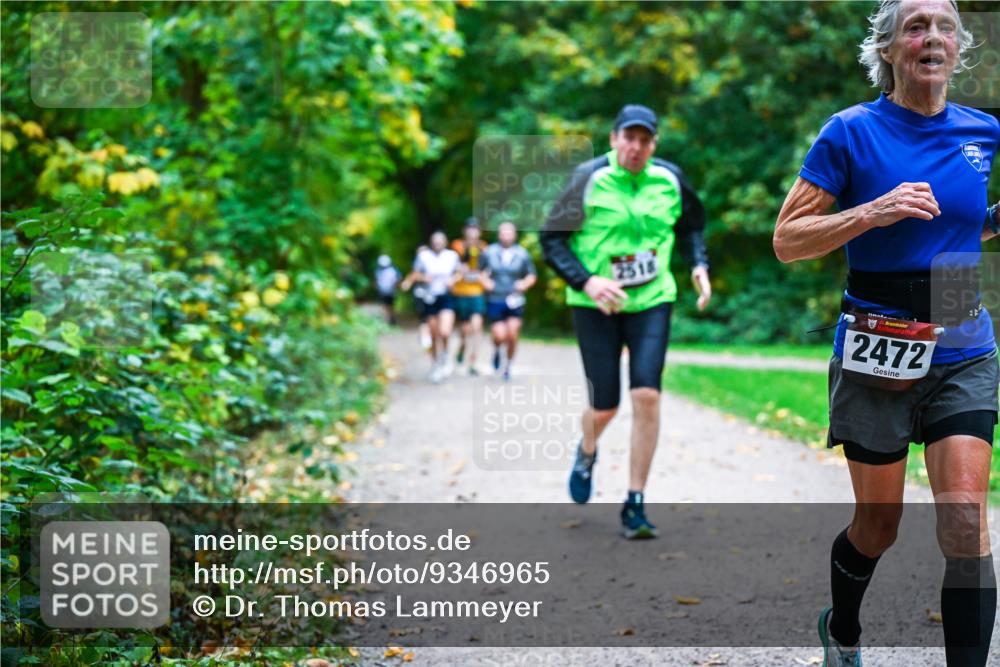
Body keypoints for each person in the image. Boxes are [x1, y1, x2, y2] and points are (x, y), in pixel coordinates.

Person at [773, 2, 997, 664]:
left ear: (960, 48)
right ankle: (843, 629)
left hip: (962, 336)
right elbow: (787, 239)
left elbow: (962, 225)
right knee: (879, 524)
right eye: (915, 26)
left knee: (965, 520)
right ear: (889, 48)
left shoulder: (982, 130)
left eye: (945, 27)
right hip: (879, 342)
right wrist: (871, 211)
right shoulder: (850, 132)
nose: (932, 37)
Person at [540, 103, 712, 539]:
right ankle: (587, 449)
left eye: (644, 140)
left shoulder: (669, 178)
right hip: (596, 303)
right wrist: (588, 281)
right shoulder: (587, 178)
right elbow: (551, 240)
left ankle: (635, 502)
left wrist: (698, 264)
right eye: (628, 138)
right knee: (605, 405)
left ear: (654, 144)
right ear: (614, 139)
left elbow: (692, 225)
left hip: (653, 299)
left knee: (647, 394)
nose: (636, 147)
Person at [481, 221, 537, 381]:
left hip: (515, 299)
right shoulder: (489, 252)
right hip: (495, 298)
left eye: (509, 233)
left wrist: (524, 284)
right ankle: (498, 351)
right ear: (499, 234)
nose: (506, 236)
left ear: (514, 235)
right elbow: (480, 272)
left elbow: (532, 275)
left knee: (512, 334)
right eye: (503, 233)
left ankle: (508, 365)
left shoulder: (522, 254)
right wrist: (486, 282)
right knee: (499, 336)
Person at [408, 232, 460, 383]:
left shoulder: (452, 256)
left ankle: (445, 355)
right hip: (429, 297)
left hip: (446, 296)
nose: (438, 243)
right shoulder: (423, 256)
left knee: (445, 331)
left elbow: (459, 273)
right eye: (435, 241)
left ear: (445, 242)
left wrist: (453, 280)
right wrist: (424, 278)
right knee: (433, 334)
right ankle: (435, 364)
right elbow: (415, 274)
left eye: (440, 240)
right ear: (431, 242)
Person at [450, 218, 489, 375]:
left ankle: (473, 361)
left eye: (475, 229)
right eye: (470, 229)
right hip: (461, 293)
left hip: (477, 292)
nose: (472, 232)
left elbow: (486, 267)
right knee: (465, 330)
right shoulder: (457, 246)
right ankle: (462, 347)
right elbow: (456, 264)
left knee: (477, 327)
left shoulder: (484, 247)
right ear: (464, 231)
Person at [399, 245, 433, 352]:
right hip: (420, 294)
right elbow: (413, 275)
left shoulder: (434, 263)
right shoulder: (416, 266)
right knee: (423, 317)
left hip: (432, 294)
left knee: (431, 316)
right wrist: (408, 282)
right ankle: (425, 337)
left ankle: (427, 336)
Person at [374, 254, 400, 326]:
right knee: (389, 305)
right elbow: (397, 280)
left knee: (386, 305)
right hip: (389, 290)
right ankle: (390, 319)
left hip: (385, 290)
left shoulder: (379, 271)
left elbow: (376, 281)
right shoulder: (393, 270)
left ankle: (389, 319)